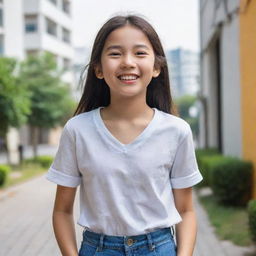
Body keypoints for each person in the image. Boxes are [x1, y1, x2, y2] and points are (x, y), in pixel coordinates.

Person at [46, 14, 203, 256]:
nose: (128, 62)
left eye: (140, 53)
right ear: (98, 69)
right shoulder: (77, 130)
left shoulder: (176, 130)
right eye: (115, 53)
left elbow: (186, 210)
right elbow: (62, 211)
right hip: (97, 249)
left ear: (157, 67)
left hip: (158, 248)